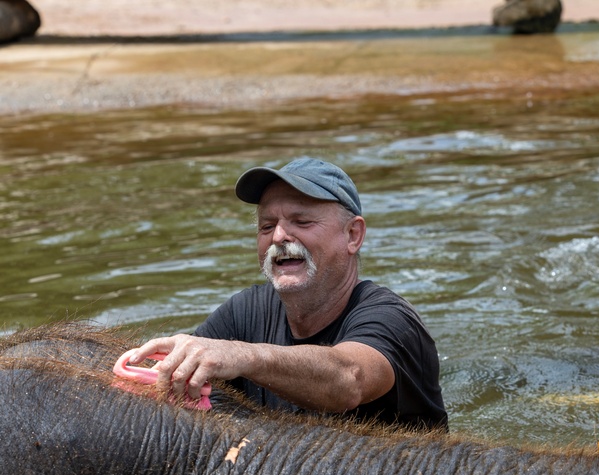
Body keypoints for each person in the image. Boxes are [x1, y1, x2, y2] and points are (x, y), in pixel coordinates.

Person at [130, 156, 448, 430]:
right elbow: (175, 387)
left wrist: (243, 356)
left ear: (353, 235)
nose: (279, 236)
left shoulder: (391, 318)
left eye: (302, 221)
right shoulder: (246, 312)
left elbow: (348, 380)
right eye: (266, 226)